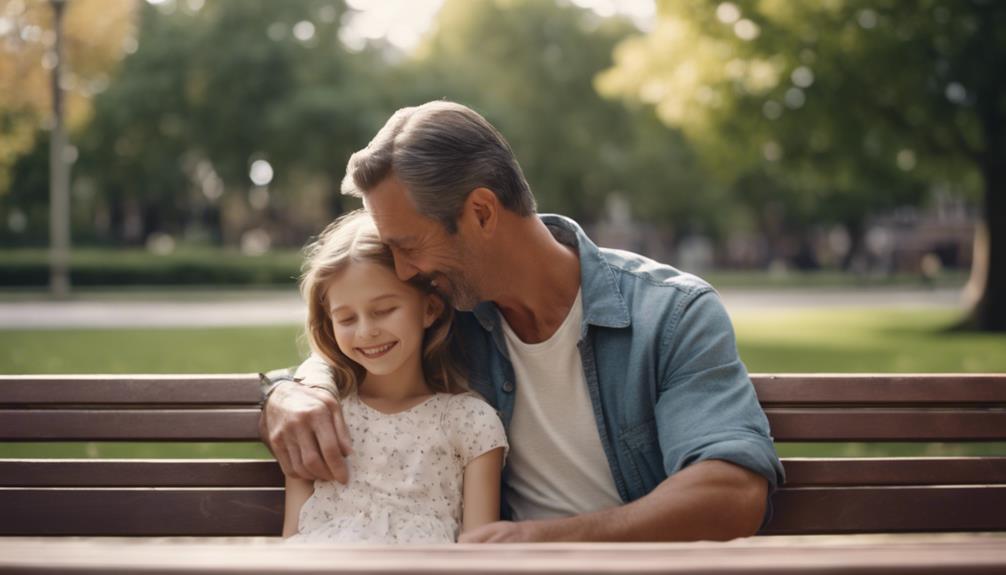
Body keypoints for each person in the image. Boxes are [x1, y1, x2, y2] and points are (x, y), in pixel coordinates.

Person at [261, 100, 785, 543]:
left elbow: (734, 489)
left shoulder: (670, 315)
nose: (404, 273)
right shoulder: (452, 315)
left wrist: (549, 542)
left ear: (483, 213)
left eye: (410, 246)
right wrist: (290, 392)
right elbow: (353, 352)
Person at [280, 210, 507, 543]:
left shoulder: (471, 423)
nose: (366, 331)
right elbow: (293, 539)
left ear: (430, 309)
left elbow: (479, 554)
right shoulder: (320, 419)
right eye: (345, 319)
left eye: (384, 310)